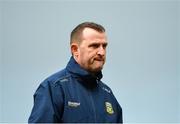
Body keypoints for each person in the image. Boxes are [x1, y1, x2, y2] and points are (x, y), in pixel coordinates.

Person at [28, 22, 123, 123]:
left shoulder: (107, 94)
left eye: (104, 46)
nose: (102, 52)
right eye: (94, 46)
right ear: (75, 50)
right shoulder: (54, 88)